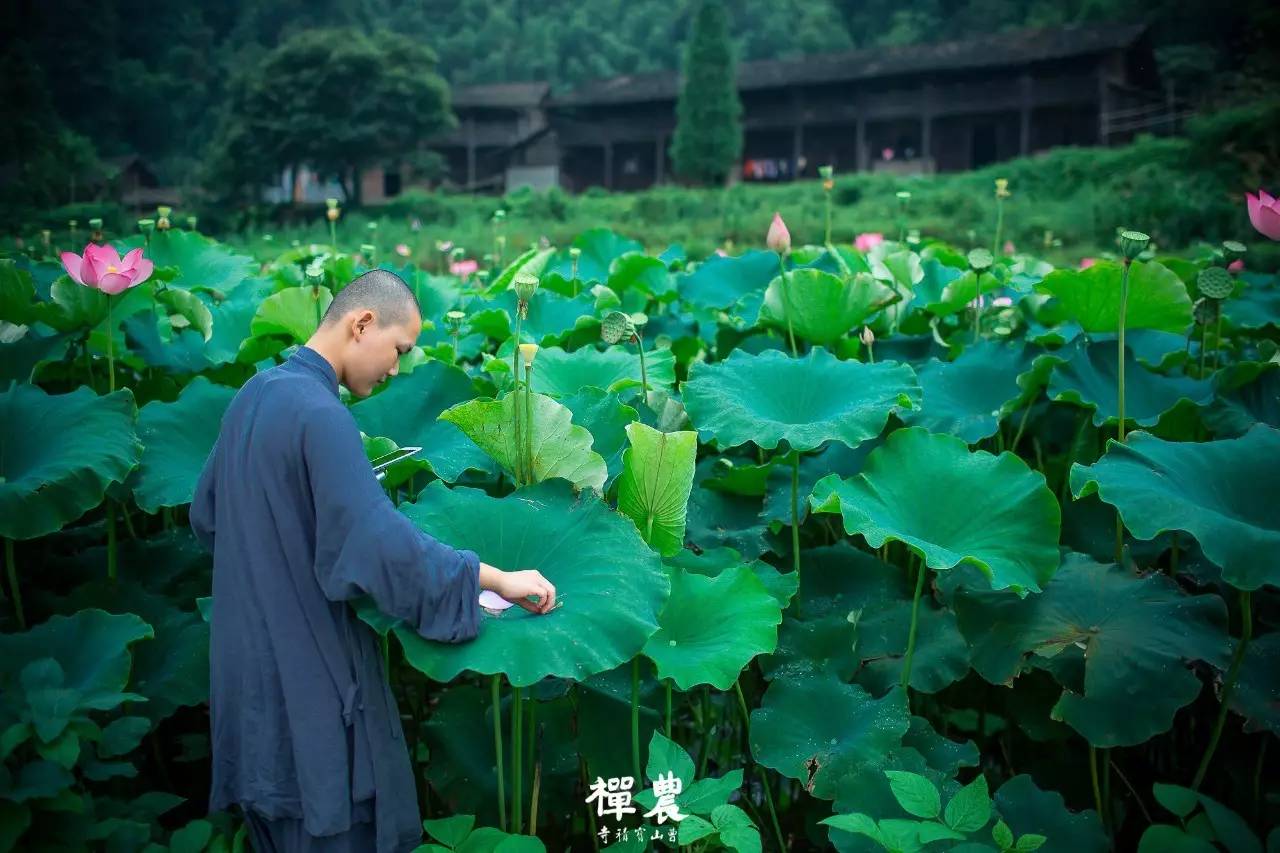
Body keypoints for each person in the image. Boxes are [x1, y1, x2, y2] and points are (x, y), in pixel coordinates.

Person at [189, 269, 555, 852]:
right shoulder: (320, 414)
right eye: (399, 349)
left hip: (245, 678)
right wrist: (493, 578)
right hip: (309, 677)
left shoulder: (253, 395)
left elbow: (207, 516)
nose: (396, 370)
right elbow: (376, 545)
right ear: (362, 323)